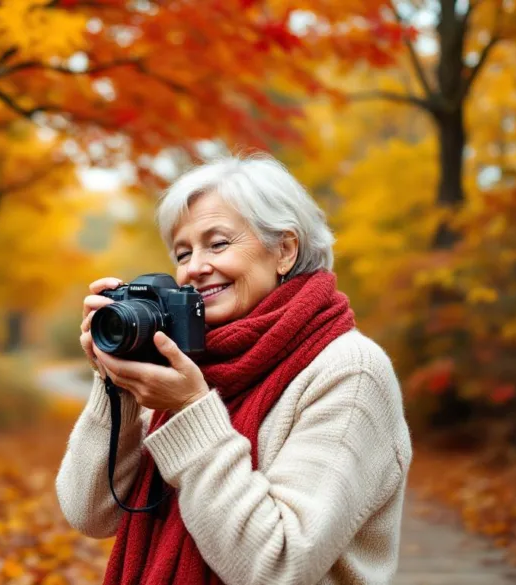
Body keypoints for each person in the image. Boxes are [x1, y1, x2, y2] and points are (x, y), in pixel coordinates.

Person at [55, 152, 413, 585]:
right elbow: (90, 513)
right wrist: (117, 384)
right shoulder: (189, 362)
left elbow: (279, 565)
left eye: (218, 243)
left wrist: (190, 410)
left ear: (284, 250)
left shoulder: (350, 371)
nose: (194, 269)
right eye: (182, 252)